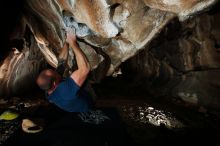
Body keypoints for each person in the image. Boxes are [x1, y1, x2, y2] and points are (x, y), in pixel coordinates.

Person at [36, 29, 92, 112]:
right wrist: (73, 43)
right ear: (54, 83)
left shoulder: (49, 89)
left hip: (70, 99)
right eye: (54, 72)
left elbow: (61, 63)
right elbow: (85, 68)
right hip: (86, 107)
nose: (56, 71)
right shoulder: (65, 91)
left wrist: (66, 42)